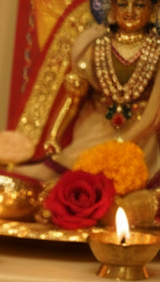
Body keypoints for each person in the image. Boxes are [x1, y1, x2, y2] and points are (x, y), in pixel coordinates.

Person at [30, 0, 160, 178]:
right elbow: (73, 99)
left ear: (153, 11)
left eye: (139, 5)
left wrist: (130, 139)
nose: (130, 12)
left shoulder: (157, 50)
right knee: (68, 169)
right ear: (111, 10)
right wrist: (54, 137)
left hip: (141, 136)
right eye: (122, 5)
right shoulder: (92, 47)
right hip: (95, 128)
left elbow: (154, 113)